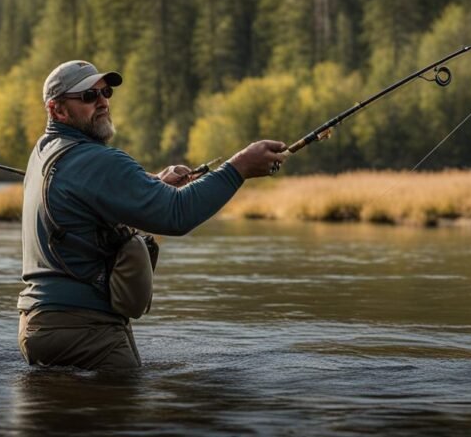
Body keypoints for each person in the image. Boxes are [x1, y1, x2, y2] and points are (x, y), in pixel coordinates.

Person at [17, 60, 287, 370]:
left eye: (105, 92)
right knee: (122, 415)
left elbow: (87, 204)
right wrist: (239, 168)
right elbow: (177, 214)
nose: (103, 101)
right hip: (83, 329)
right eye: (88, 97)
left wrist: (153, 185)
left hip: (39, 325)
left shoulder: (43, 152)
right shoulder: (95, 160)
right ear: (58, 110)